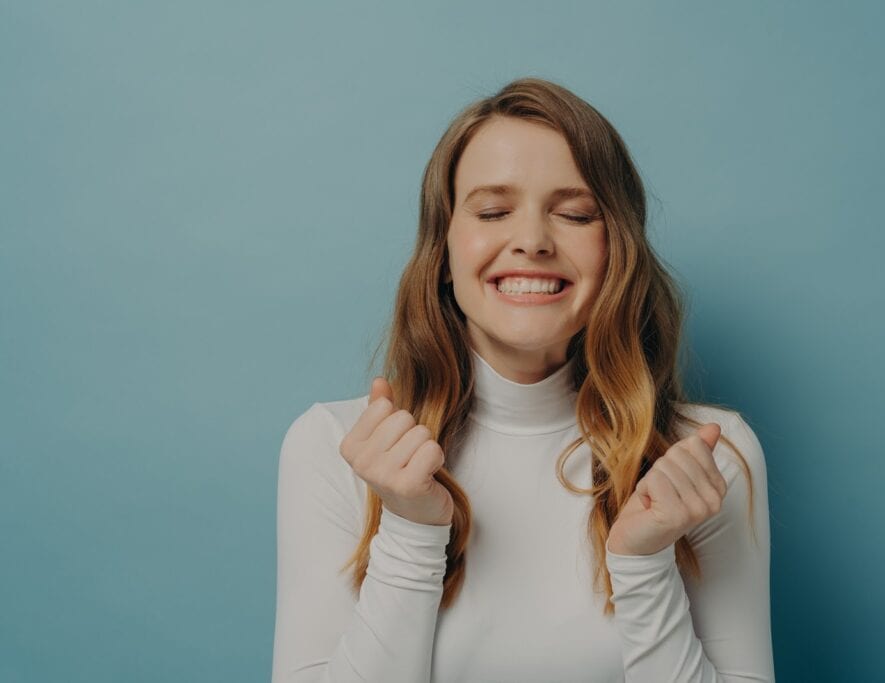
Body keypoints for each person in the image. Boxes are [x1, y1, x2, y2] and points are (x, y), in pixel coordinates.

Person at [271, 77, 775, 682]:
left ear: (617, 249)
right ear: (444, 251)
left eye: (575, 214)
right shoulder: (335, 446)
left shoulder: (706, 460)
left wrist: (644, 564)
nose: (532, 241)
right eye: (492, 211)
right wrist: (408, 526)